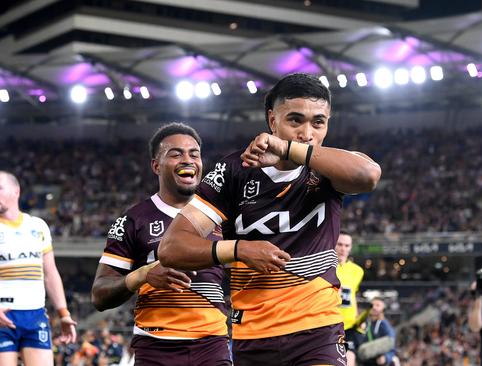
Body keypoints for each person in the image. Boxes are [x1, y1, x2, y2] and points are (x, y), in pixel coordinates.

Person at [158, 73, 382, 366]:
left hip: (317, 331)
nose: (307, 133)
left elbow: (367, 176)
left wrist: (287, 149)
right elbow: (171, 248)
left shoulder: (329, 166)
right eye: (295, 120)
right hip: (251, 335)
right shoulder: (233, 171)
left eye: (318, 122)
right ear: (272, 119)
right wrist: (239, 250)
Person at [91, 123, 231, 365]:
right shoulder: (132, 220)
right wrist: (143, 275)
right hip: (155, 348)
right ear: (156, 165)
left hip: (212, 345)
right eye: (176, 154)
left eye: (194, 154)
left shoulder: (222, 215)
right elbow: (99, 295)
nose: (187, 160)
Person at [0, 170, 77, 366]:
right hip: (1, 316)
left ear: (16, 191)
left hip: (35, 315)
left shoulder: (38, 226)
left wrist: (64, 313)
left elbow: (50, 273)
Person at [336, 231, 365, 366]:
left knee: (350, 361)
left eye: (347, 245)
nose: (343, 249)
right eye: (340, 244)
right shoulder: (324, 267)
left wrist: (358, 317)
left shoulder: (358, 271)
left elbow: (353, 295)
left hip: (349, 327)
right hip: (328, 324)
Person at [355, 298, 397, 366]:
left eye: (377, 305)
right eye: (372, 305)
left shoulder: (384, 324)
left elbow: (391, 344)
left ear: (383, 309)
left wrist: (386, 357)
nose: (374, 307)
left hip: (378, 362)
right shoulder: (363, 323)